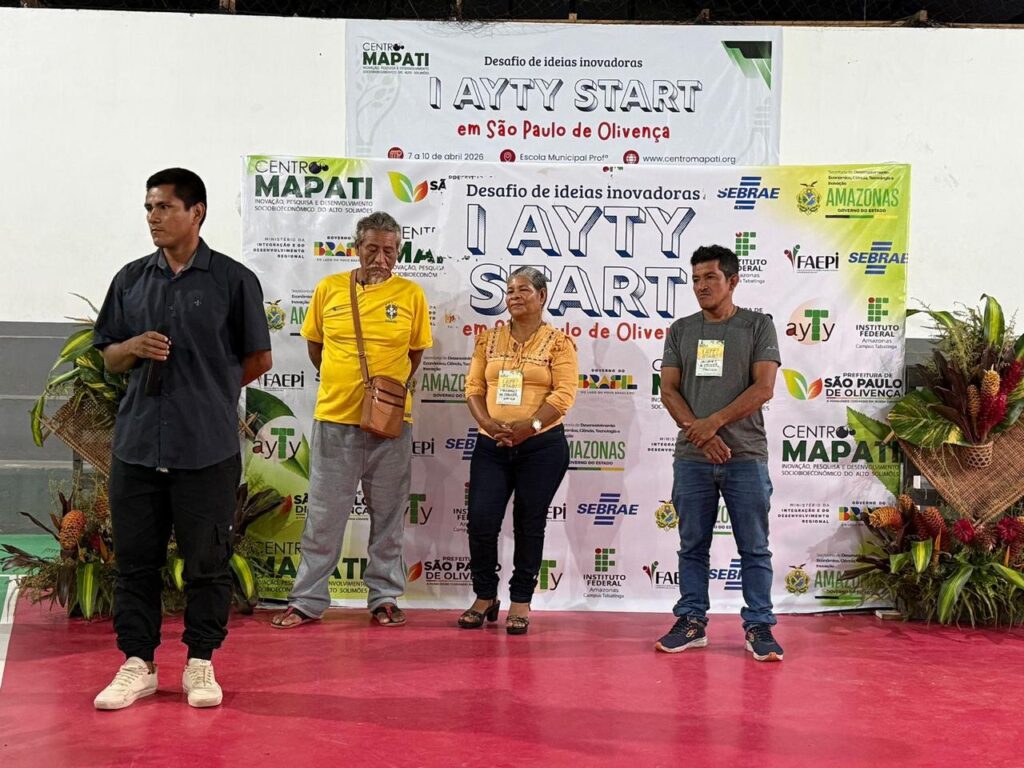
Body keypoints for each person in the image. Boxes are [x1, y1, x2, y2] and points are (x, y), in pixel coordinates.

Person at [92, 168, 273, 709]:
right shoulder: (130, 279)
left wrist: (209, 394)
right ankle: (138, 664)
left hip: (206, 449)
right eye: (149, 207)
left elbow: (259, 358)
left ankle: (200, 663)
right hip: (138, 446)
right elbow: (108, 356)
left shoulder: (233, 281)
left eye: (164, 207)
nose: (153, 217)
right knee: (135, 562)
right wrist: (132, 347)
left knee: (207, 564)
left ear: (197, 212)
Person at [270, 211, 431, 630]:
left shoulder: (411, 295)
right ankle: (307, 600)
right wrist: (346, 384)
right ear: (357, 248)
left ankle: (384, 597)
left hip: (391, 426)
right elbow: (315, 347)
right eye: (372, 249)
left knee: (389, 517)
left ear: (399, 253)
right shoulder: (329, 289)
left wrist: (385, 395)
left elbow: (415, 353)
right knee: (324, 517)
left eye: (390, 251)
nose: (381, 258)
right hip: (335, 420)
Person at [655, 244, 784, 662]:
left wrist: (713, 423)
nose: (701, 286)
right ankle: (691, 621)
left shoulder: (758, 326)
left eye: (710, 277)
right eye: (695, 279)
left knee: (754, 547)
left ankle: (759, 625)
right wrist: (703, 435)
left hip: (745, 456)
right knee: (692, 545)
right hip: (693, 458)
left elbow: (763, 388)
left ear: (733, 280)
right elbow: (668, 390)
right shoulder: (681, 330)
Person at [460, 267, 578, 635]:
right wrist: (488, 423)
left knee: (529, 523)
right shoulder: (487, 339)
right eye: (510, 290)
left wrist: (531, 427)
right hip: (492, 444)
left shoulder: (559, 343)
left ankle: (521, 600)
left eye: (523, 289)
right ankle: (484, 596)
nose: (514, 296)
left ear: (542, 296)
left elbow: (563, 395)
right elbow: (473, 388)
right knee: (481, 521)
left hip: (541, 447)